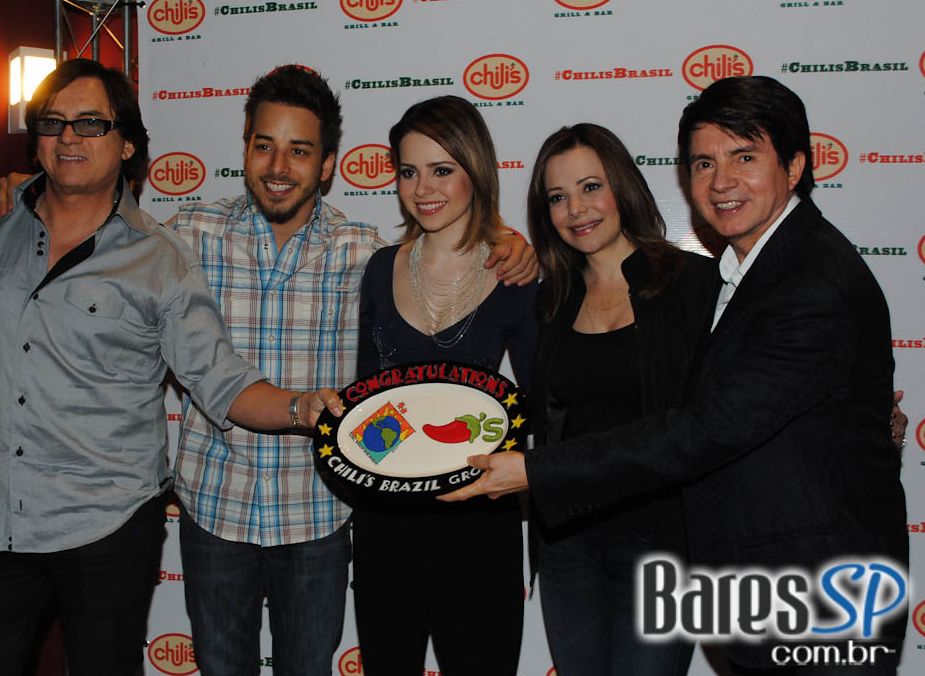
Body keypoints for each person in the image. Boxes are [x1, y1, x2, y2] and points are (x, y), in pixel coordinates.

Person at [0, 64, 537, 675]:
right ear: (244, 148)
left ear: (328, 164)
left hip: (316, 516)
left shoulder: (365, 254)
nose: (278, 166)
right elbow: (97, 227)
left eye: (300, 150)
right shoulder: (184, 237)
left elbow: (443, 249)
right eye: (264, 145)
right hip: (214, 512)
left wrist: (508, 241)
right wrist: (37, 189)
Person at [445, 76, 909, 674]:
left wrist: (534, 470)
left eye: (744, 157)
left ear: (795, 166)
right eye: (704, 163)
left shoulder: (800, 281)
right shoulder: (748, 271)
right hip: (719, 570)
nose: (721, 181)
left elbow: (707, 427)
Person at [0, 59, 342, 676]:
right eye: (53, 122)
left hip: (107, 527)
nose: (70, 137)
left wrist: (301, 407)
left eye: (91, 123)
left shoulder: (161, 256)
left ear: (128, 144)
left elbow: (220, 379)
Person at [353, 95, 537, 676]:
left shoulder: (515, 272)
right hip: (386, 523)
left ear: (474, 170)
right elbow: (365, 401)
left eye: (441, 169)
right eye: (409, 171)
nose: (423, 188)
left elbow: (543, 403)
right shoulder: (380, 269)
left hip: (480, 521)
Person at [524, 123, 717, 676]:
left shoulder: (693, 283)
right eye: (557, 197)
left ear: (623, 188)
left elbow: (739, 401)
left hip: (660, 547)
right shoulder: (551, 299)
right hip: (567, 546)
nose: (575, 209)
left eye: (591, 187)